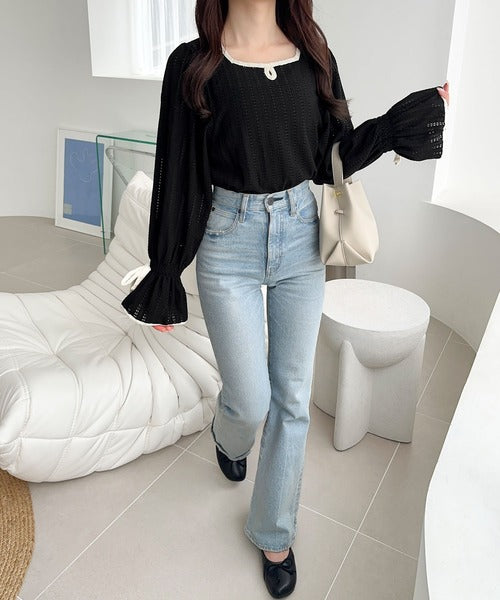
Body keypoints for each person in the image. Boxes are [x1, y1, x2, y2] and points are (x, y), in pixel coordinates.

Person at [120, 1, 449, 596]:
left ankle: (275, 531)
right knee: (249, 398)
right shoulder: (193, 65)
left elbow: (334, 157)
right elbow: (179, 169)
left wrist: (407, 119)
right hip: (227, 241)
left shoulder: (314, 55)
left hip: (301, 236)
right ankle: (229, 435)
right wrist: (166, 272)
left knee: (292, 397)